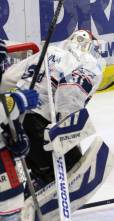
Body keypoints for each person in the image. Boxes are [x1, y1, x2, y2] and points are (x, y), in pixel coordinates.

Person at [0, 31, 104, 186]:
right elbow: (70, 94)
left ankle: (36, 180)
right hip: (40, 125)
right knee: (74, 169)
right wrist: (65, 135)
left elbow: (7, 79)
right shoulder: (87, 62)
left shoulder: (47, 51)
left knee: (34, 164)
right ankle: (46, 180)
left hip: (14, 121)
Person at [1, 38, 39, 221]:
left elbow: (20, 146)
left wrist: (19, 143)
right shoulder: (8, 100)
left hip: (7, 182)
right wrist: (16, 102)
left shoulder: (5, 94)